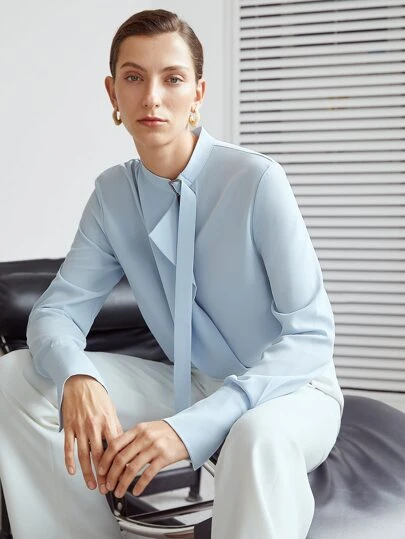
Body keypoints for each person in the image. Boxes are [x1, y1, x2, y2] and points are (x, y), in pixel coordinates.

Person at [0, 9, 344, 539]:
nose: (152, 97)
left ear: (198, 93)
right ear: (113, 94)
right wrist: (77, 376)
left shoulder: (256, 180)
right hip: (192, 382)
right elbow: (56, 312)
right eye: (134, 77)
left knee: (255, 435)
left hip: (288, 390)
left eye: (173, 79)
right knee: (18, 377)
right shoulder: (113, 195)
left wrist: (190, 428)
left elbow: (311, 336)